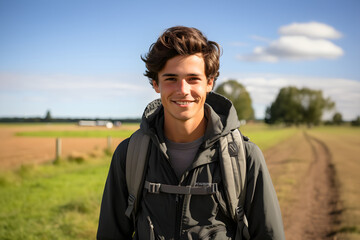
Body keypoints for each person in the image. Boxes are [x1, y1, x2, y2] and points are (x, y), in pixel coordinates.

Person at [97, 26, 285, 240]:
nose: (183, 90)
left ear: (210, 83)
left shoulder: (245, 157)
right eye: (171, 79)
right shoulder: (129, 155)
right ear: (155, 84)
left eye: (193, 79)